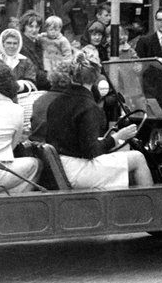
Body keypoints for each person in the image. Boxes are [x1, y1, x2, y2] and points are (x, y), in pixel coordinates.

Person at [43, 55, 152, 191]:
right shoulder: (88, 106)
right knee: (138, 158)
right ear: (95, 79)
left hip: (59, 166)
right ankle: (153, 209)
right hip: (76, 170)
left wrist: (106, 140)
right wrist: (117, 137)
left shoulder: (57, 102)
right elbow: (91, 151)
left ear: (71, 77)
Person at [18, 10, 48, 88]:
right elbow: (33, 71)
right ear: (24, 27)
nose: (34, 30)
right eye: (30, 26)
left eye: (37, 27)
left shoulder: (38, 43)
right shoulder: (21, 45)